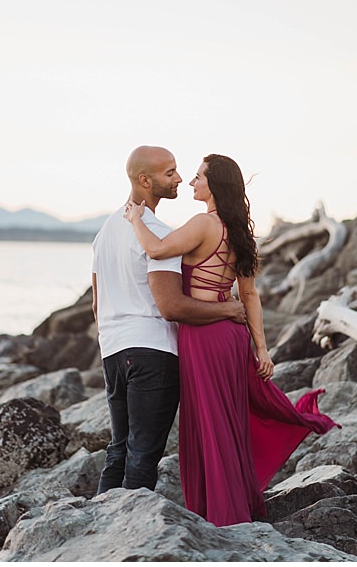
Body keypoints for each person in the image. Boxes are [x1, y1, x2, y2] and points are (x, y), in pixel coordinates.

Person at [125, 153, 338, 526]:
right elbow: (250, 295)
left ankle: (222, 515)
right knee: (227, 422)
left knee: (210, 425)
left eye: (198, 177)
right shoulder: (237, 230)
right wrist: (261, 348)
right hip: (231, 337)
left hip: (204, 337)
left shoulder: (203, 224)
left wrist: (136, 219)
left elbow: (156, 249)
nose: (191, 182)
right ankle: (231, 507)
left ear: (214, 184)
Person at [92, 146, 247, 496]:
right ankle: (130, 534)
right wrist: (227, 310)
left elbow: (96, 302)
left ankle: (99, 528)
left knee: (119, 448)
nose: (178, 179)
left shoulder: (106, 229)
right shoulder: (157, 233)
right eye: (169, 173)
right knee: (143, 453)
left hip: (113, 349)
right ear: (145, 180)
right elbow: (172, 306)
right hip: (152, 352)